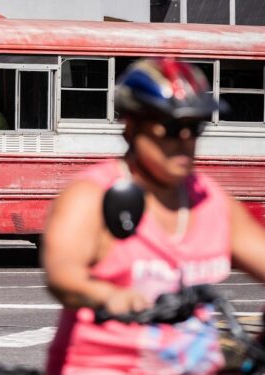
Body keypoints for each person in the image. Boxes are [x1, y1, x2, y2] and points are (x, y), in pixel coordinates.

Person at [42, 58, 265, 374]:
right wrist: (109, 296)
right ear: (132, 127)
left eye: (195, 128)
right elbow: (63, 275)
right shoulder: (93, 195)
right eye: (171, 128)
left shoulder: (211, 200)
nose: (185, 141)